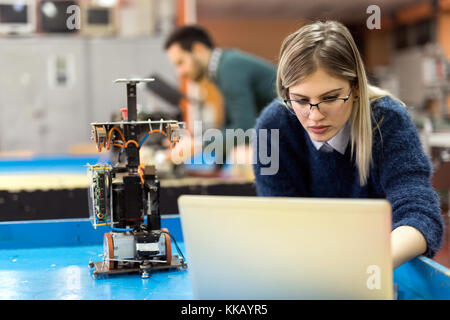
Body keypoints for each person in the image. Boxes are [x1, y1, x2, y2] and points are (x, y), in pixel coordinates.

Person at [253, 20, 444, 269]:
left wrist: (366, 267)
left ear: (355, 89)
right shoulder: (272, 129)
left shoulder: (387, 120)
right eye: (300, 100)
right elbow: (280, 220)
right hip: (306, 265)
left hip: (378, 263)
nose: (315, 115)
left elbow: (421, 212)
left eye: (330, 98)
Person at [164, 26, 277, 173]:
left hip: (297, 137)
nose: (180, 73)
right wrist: (216, 171)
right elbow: (231, 124)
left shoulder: (229, 68)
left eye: (181, 62)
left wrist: (197, 144)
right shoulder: (224, 66)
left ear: (198, 49)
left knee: (243, 157)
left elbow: (245, 129)